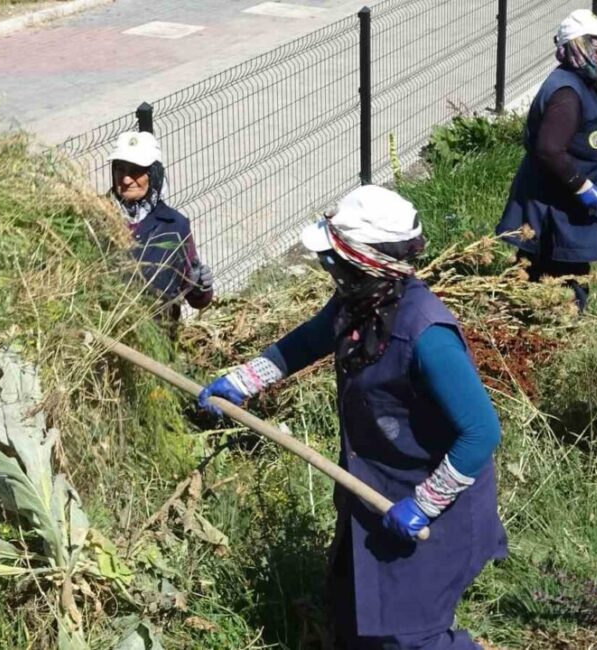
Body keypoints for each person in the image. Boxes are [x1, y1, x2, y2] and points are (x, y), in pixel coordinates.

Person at [197, 185, 508, 649]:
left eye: (333, 260)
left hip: (434, 508)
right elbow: (307, 341)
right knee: (354, 614)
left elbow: (482, 432)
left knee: (409, 638)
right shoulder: (359, 305)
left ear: (367, 265)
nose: (327, 268)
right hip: (373, 490)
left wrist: (425, 502)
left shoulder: (425, 334)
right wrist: (246, 379)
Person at [496, 9, 597, 312]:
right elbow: (549, 150)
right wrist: (583, 186)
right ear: (583, 47)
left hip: (561, 196)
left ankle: (535, 319)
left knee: (548, 268)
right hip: (554, 203)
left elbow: (577, 138)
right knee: (559, 268)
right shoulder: (566, 93)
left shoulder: (579, 82)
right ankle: (553, 326)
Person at [109, 131, 214, 322]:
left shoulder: (174, 227)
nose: (125, 179)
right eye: (120, 169)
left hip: (159, 337)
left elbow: (195, 298)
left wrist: (201, 287)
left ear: (154, 174)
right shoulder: (96, 221)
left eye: (135, 170)